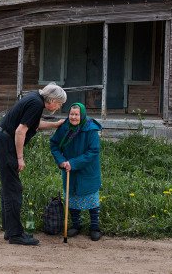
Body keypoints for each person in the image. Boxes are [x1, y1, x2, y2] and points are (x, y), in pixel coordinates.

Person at [0, 83, 67, 245]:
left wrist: (55, 125)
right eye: (60, 104)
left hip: (3, 140)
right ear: (52, 100)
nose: (59, 107)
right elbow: (21, 130)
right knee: (13, 188)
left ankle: (10, 230)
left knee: (9, 187)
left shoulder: (35, 99)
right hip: (6, 143)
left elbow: (34, 123)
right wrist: (20, 158)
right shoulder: (36, 103)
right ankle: (15, 235)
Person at [50, 102, 103, 241]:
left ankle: (94, 227)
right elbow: (54, 144)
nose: (73, 117)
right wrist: (61, 161)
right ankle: (76, 225)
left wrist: (73, 163)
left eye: (77, 114)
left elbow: (93, 151)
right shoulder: (64, 128)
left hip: (87, 169)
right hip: (68, 168)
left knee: (91, 198)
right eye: (71, 114)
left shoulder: (90, 129)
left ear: (82, 115)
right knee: (72, 196)